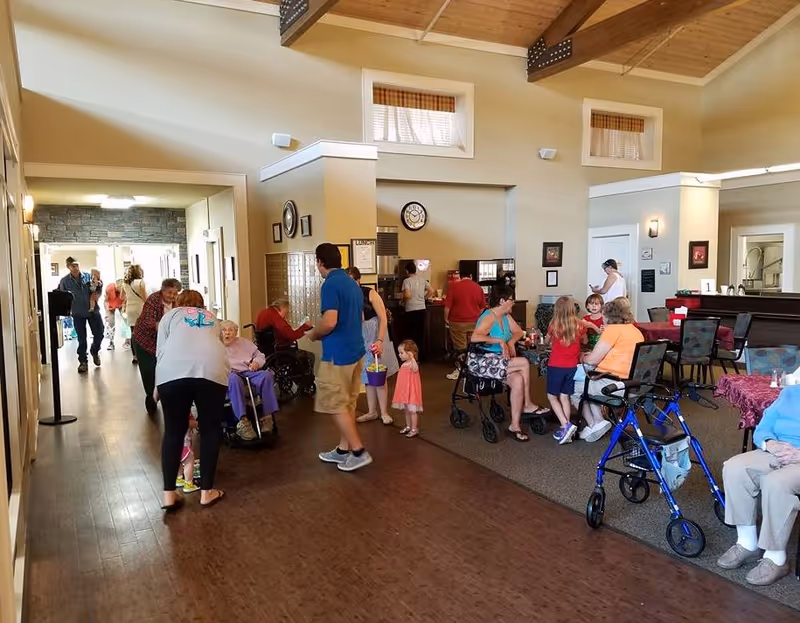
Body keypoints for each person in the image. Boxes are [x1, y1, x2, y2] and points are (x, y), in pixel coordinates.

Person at [717, 385, 800, 586]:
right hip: (776, 450)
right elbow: (764, 427)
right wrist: (769, 443)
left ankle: (776, 558)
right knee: (735, 467)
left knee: (777, 482)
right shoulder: (791, 392)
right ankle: (747, 543)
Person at [157, 289, 228, 512]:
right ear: (202, 304)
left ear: (177, 303)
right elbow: (217, 347)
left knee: (173, 432)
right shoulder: (212, 318)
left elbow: (161, 352)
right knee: (210, 430)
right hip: (212, 371)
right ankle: (206, 492)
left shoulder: (169, 316)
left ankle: (169, 495)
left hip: (172, 373)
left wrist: (156, 388)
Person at [307, 243, 371, 472]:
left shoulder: (330, 284)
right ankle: (343, 449)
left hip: (337, 355)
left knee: (334, 404)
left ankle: (358, 451)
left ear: (320, 262)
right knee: (348, 402)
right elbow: (360, 317)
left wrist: (313, 334)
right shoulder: (352, 283)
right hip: (356, 351)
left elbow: (330, 322)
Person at [471, 286, 549, 442]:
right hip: (483, 361)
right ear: (502, 301)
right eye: (511, 300)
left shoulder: (505, 316)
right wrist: (499, 341)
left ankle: (515, 425)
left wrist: (511, 342)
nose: (513, 303)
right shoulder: (489, 316)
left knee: (518, 380)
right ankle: (527, 403)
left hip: (501, 361)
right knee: (524, 362)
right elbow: (474, 337)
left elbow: (519, 332)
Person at [574, 297, 644, 443]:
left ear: (609, 316)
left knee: (573, 386)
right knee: (589, 383)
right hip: (637, 383)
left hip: (615, 384)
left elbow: (593, 360)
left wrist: (582, 357)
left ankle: (596, 422)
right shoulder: (635, 330)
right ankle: (597, 423)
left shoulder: (612, 330)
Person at [346, 266, 399, 426]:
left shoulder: (369, 293)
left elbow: (383, 319)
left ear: (358, 280)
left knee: (378, 374)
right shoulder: (347, 297)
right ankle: (372, 411)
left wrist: (380, 340)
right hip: (360, 339)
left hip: (375, 336)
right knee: (367, 376)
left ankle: (384, 412)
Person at [220, 320, 279, 441]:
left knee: (266, 376)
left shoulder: (244, 342)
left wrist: (256, 363)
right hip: (230, 374)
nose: (227, 333)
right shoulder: (216, 346)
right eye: (224, 330)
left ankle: (267, 417)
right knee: (233, 379)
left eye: (230, 330)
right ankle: (243, 422)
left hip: (248, 371)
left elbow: (260, 355)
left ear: (236, 332)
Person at [132, 278, 181, 414]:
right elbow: (149, 322)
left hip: (165, 342)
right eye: (169, 292)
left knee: (168, 370)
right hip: (145, 341)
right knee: (150, 371)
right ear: (162, 290)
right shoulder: (154, 300)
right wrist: (170, 327)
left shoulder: (176, 302)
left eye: (175, 293)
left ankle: (167, 398)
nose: (172, 296)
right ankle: (151, 399)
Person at [547, 296, 584, 445]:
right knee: (565, 396)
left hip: (556, 366)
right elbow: (585, 341)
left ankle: (566, 424)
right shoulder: (579, 325)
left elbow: (548, 340)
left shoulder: (553, 325)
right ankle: (565, 428)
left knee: (551, 396)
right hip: (572, 367)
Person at [58, 257, 104, 373]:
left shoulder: (88, 276)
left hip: (93, 311)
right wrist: (67, 311)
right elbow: (63, 297)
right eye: (73, 266)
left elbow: (98, 287)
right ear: (68, 267)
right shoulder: (65, 281)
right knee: (81, 339)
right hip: (78, 313)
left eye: (77, 265)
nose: (76, 268)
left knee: (100, 333)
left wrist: (99, 284)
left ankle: (94, 350)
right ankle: (83, 361)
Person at [445, 271, 486, 380]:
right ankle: (472, 370)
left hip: (457, 322)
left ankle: (460, 371)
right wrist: (477, 316)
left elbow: (447, 307)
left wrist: (446, 319)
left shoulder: (454, 287)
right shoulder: (478, 287)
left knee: (460, 348)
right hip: (474, 323)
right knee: (471, 347)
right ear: (471, 276)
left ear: (460, 276)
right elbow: (482, 307)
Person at [254, 298, 315, 368]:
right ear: (282, 308)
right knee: (310, 357)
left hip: (265, 349)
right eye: (286, 312)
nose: (286, 315)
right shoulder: (275, 316)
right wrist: (306, 326)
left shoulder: (263, 312)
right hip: (279, 349)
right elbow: (292, 335)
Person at [401, 261, 434, 359]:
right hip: (421, 309)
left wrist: (402, 300)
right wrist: (424, 298)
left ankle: (411, 356)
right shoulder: (422, 280)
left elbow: (407, 295)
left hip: (410, 310)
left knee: (411, 334)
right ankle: (421, 356)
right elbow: (431, 290)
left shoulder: (406, 281)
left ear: (407, 271)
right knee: (420, 333)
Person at [393, 340, 423, 438]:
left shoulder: (412, 364)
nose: (399, 355)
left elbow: (415, 369)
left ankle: (414, 428)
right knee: (406, 410)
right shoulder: (403, 365)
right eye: (399, 353)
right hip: (405, 391)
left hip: (411, 392)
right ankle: (408, 426)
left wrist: (412, 358)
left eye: (402, 353)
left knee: (412, 411)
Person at [122, 265, 147, 363]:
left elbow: (121, 296)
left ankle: (135, 356)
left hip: (130, 308)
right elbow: (144, 298)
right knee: (142, 331)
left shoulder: (125, 283)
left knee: (133, 332)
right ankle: (142, 353)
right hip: (140, 308)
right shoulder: (140, 282)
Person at [175, 413, 200, 494]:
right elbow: (189, 423)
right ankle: (188, 483)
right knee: (189, 461)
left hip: (174, 443)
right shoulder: (184, 409)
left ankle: (179, 478)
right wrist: (198, 423)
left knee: (178, 462)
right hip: (184, 444)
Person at [104, 279, 124, 350]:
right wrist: (106, 312)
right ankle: (111, 343)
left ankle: (128, 341)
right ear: (116, 286)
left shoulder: (124, 288)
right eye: (119, 289)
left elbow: (126, 299)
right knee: (111, 324)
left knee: (126, 322)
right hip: (110, 305)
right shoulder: (109, 288)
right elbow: (106, 301)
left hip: (121, 304)